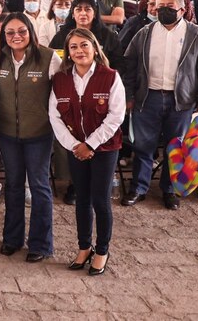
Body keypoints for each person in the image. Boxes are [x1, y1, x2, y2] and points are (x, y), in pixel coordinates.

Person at [122, 0, 198, 210]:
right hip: (149, 98)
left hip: (181, 101)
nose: (162, 11)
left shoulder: (197, 34)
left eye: (169, 7)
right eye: (159, 6)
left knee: (176, 147)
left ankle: (169, 189)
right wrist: (128, 95)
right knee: (143, 146)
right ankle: (139, 188)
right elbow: (130, 66)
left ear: (182, 10)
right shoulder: (145, 33)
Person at [49, 28, 126, 275]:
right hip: (76, 149)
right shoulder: (60, 79)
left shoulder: (110, 76)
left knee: (100, 200)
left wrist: (90, 144)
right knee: (82, 199)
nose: (79, 51)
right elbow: (55, 116)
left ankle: (102, 250)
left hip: (104, 148)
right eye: (73, 47)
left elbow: (116, 116)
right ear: (68, 53)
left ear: (95, 47)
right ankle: (84, 247)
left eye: (84, 45)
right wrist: (75, 146)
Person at [0, 13, 62, 263]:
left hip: (39, 134)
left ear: (30, 31)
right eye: (10, 33)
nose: (16, 37)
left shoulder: (48, 57)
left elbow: (62, 93)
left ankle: (40, 243)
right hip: (8, 133)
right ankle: (11, 239)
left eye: (21, 31)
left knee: (39, 186)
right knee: (12, 186)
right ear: (3, 36)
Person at [49, 0, 124, 72]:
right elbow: (51, 58)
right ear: (73, 14)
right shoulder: (62, 35)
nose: (83, 13)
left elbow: (118, 64)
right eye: (78, 9)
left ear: (94, 13)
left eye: (87, 9)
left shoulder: (108, 36)